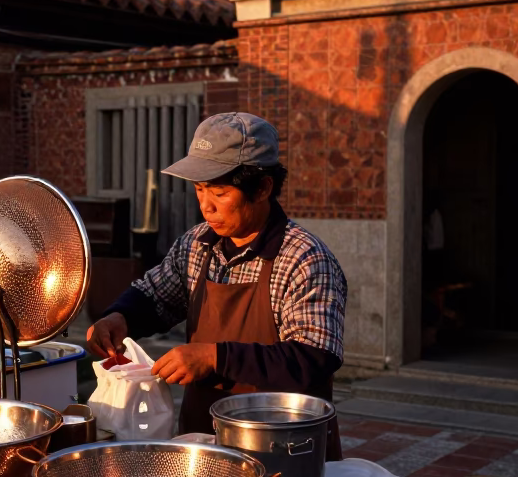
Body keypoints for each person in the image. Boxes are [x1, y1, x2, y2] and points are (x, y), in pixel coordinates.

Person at [86, 112, 347, 457]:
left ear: (263, 187)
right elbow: (155, 294)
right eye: (199, 189)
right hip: (203, 447)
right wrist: (119, 317)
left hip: (284, 451)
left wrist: (215, 357)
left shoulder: (305, 259)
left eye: (220, 192)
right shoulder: (197, 244)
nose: (206, 205)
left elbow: (312, 360)